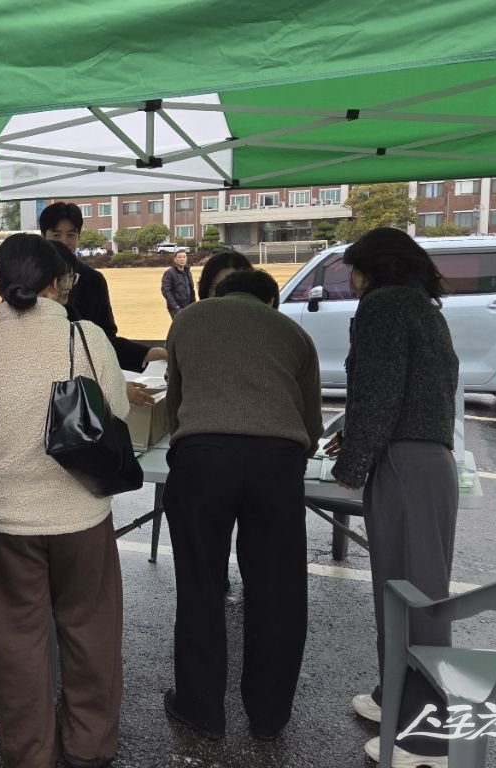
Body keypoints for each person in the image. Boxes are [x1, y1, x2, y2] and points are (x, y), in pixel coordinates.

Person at [0, 234, 127, 768]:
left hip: (5, 524)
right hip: (82, 514)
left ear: (0, 284)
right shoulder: (87, 339)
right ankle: (89, 746)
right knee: (91, 634)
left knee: (15, 645)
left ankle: (28, 753)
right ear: (59, 283)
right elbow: (118, 412)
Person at [162, 268, 322, 742]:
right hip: (277, 460)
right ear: (270, 300)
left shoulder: (188, 320)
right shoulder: (293, 332)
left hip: (202, 457)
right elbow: (310, 420)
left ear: (221, 292)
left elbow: (176, 400)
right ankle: (269, 715)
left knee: (200, 585)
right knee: (278, 591)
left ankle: (201, 708)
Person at [326, 227, 460, 768]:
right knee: (401, 592)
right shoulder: (422, 307)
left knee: (414, 598)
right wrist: (354, 434)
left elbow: (380, 391)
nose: (351, 283)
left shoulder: (384, 306)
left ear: (373, 269)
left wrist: (351, 464)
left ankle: (428, 739)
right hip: (421, 460)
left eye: (354, 270)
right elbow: (401, 390)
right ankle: (395, 697)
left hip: (405, 464)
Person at [39, 202, 166, 405]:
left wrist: (146, 353)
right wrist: (113, 388)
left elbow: (105, 339)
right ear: (43, 236)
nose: (64, 241)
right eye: (56, 235)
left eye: (71, 235)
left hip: (85, 395)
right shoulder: (31, 280)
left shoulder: (94, 280)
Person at [161, 249, 195, 317]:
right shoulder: (169, 273)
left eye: (184, 257)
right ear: (175, 259)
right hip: (176, 308)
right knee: (180, 326)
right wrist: (175, 306)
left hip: (188, 307)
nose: (182, 259)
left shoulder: (188, 272)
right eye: (179, 257)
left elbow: (191, 289)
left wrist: (194, 304)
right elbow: (166, 290)